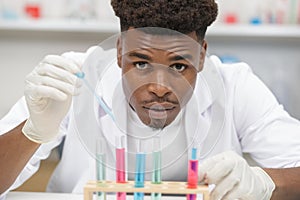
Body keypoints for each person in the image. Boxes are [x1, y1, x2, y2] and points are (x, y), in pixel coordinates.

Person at [0, 0, 300, 199]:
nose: (159, 88)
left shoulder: (234, 86)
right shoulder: (74, 76)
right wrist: (34, 131)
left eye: (179, 66)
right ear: (119, 51)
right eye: (140, 63)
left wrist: (263, 182)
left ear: (202, 55)